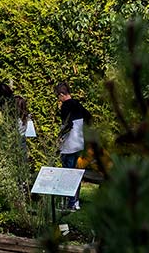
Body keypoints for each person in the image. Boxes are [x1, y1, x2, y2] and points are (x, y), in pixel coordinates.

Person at [55, 82, 91, 210]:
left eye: (58, 96)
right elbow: (89, 117)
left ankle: (69, 203)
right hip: (79, 144)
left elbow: (67, 125)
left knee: (68, 174)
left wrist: (59, 137)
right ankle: (76, 202)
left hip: (69, 145)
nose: (58, 99)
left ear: (62, 94)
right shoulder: (77, 104)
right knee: (76, 174)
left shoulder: (65, 106)